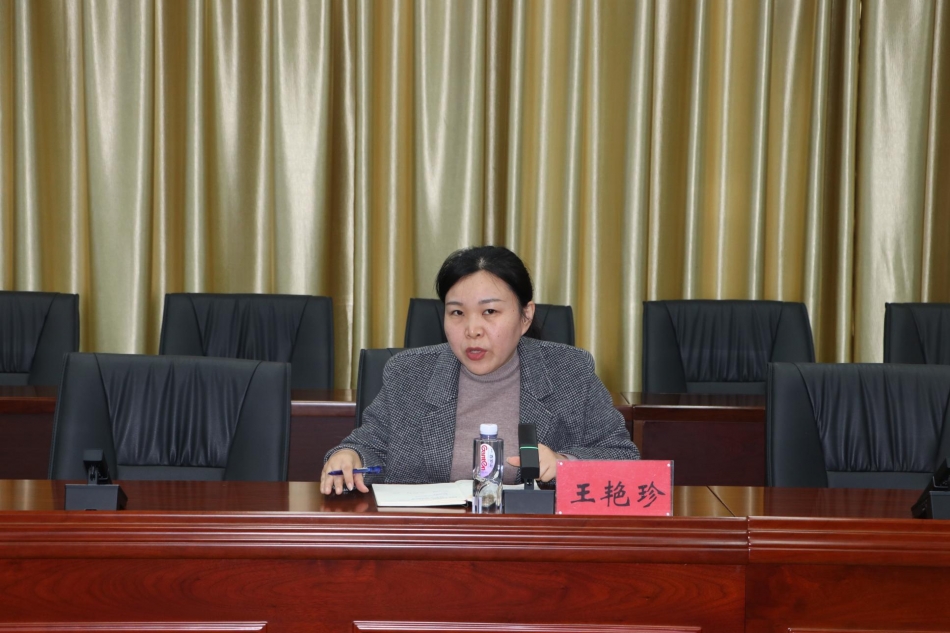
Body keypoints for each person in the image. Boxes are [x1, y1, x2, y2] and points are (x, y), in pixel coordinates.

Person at [320, 245, 640, 495]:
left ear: (526, 316)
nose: (472, 329)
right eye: (457, 313)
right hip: (427, 540)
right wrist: (350, 456)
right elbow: (368, 445)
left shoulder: (570, 372)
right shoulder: (408, 374)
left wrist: (564, 464)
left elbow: (623, 458)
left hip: (532, 543)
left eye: (489, 311)